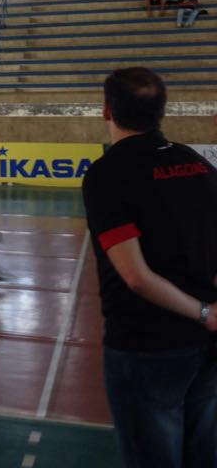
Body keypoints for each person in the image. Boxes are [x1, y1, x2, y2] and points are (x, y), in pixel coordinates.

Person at [82, 67, 217, 468]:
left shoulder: (107, 175)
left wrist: (205, 313)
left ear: (106, 110)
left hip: (147, 346)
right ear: (162, 111)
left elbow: (136, 277)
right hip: (207, 347)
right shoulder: (197, 164)